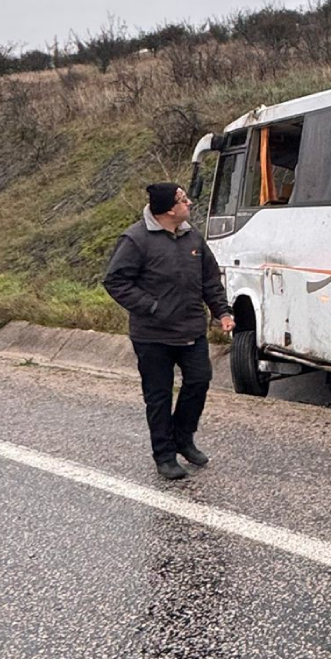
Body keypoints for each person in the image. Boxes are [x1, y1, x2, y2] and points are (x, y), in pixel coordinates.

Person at [104, 183, 235, 480]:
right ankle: (164, 455)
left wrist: (222, 312)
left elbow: (210, 280)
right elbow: (115, 282)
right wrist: (151, 307)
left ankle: (184, 439)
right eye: (181, 199)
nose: (188, 202)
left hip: (191, 329)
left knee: (199, 381)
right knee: (159, 395)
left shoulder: (193, 237)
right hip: (152, 336)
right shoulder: (136, 239)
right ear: (167, 209)